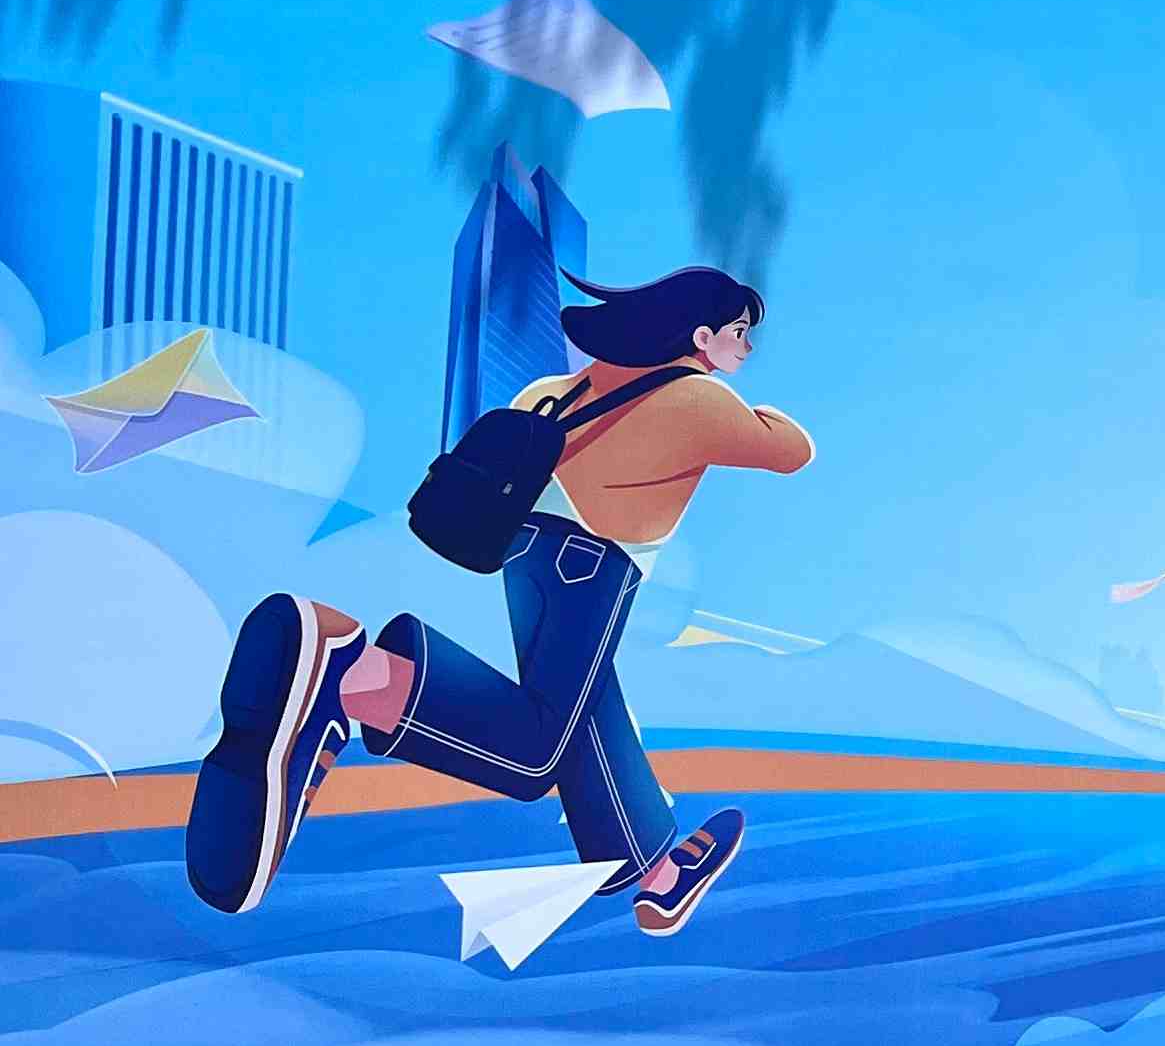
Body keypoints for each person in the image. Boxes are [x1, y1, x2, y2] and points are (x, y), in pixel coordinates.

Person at [187, 264, 810, 939]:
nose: (747, 347)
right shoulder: (700, 398)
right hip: (594, 564)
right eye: (739, 332)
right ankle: (353, 674)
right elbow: (790, 450)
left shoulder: (554, 390)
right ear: (700, 335)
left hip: (525, 555)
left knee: (585, 701)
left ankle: (655, 872)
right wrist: (751, 405)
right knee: (534, 749)